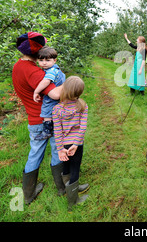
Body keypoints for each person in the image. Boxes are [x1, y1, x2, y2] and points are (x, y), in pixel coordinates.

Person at [12, 32, 65, 205]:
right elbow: (56, 94)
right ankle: (62, 188)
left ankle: (28, 194)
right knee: (58, 150)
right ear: (38, 52)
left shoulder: (18, 66)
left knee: (35, 153)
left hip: (34, 120)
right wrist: (70, 82)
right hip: (47, 119)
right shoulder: (34, 72)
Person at [53, 76, 89, 211]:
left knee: (66, 167)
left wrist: (61, 148)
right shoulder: (82, 106)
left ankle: (68, 190)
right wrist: (76, 144)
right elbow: (82, 127)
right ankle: (73, 201)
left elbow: (57, 131)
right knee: (75, 168)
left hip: (64, 144)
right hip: (76, 145)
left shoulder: (57, 109)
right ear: (80, 92)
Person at [33, 46, 66, 140]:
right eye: (41, 60)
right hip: (62, 95)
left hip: (52, 98)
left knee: (46, 111)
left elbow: (46, 81)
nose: (44, 63)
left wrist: (36, 91)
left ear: (54, 60)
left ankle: (47, 131)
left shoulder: (51, 71)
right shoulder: (57, 69)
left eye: (47, 60)